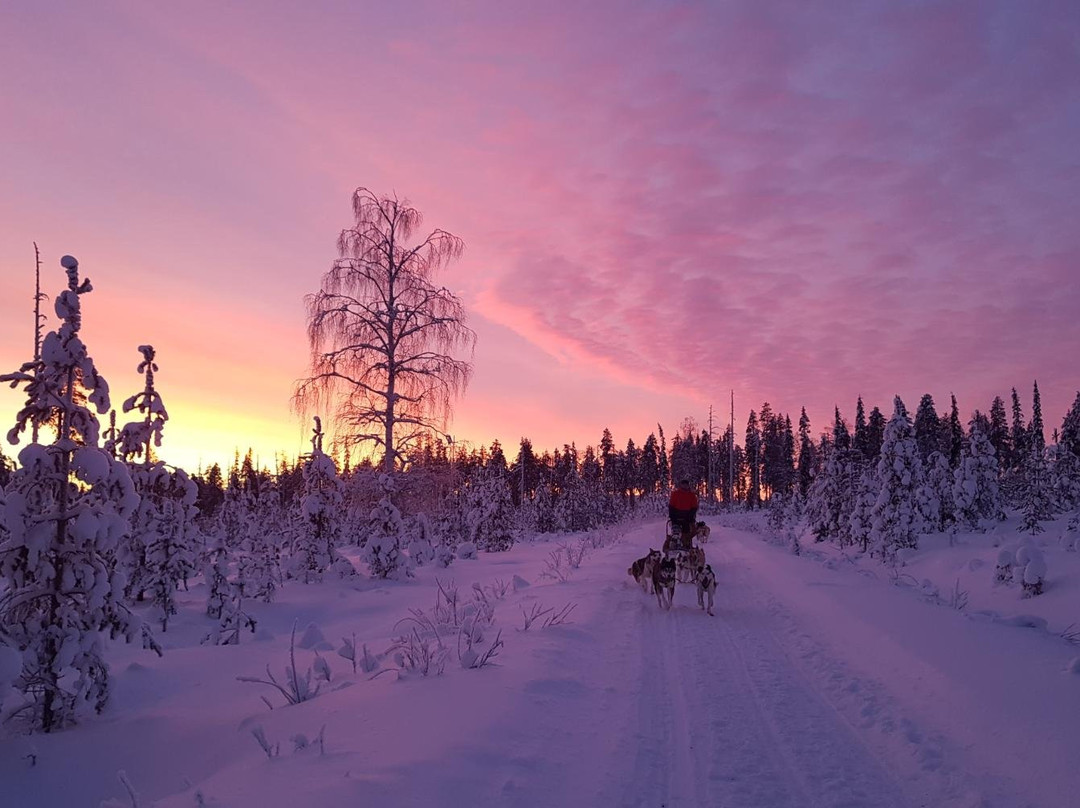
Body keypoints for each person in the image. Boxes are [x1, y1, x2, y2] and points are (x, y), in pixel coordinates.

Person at [668, 479, 699, 548]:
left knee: (688, 533)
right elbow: (671, 506)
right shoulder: (675, 494)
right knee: (676, 532)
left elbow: (694, 507)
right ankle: (674, 545)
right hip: (676, 516)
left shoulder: (692, 495)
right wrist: (672, 516)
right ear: (681, 485)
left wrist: (691, 516)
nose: (685, 486)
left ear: (688, 485)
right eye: (683, 484)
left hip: (687, 517)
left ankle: (686, 545)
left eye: (686, 485)